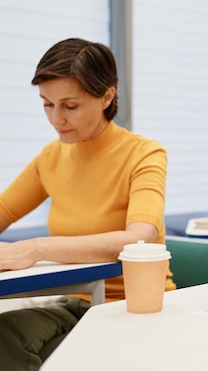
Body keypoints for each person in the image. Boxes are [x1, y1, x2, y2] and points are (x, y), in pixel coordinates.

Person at [0, 38, 174, 370]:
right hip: (74, 302)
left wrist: (37, 248)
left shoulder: (144, 154)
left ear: (107, 96)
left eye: (70, 106)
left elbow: (139, 237)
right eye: (47, 104)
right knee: (5, 335)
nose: (55, 118)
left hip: (134, 306)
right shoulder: (51, 157)